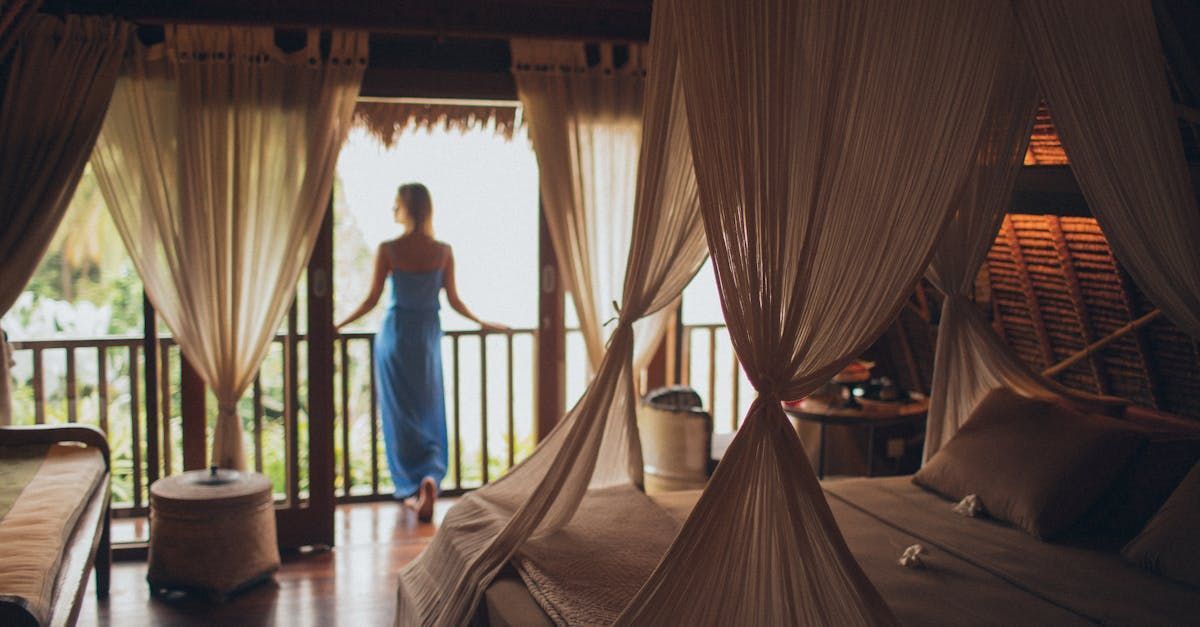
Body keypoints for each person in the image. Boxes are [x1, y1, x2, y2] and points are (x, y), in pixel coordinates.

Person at [336, 183, 507, 522]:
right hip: (427, 338)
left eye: (396, 204)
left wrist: (338, 326)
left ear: (408, 208)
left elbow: (371, 300)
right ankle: (430, 478)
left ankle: (414, 488)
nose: (392, 210)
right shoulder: (442, 251)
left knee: (401, 416)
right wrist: (483, 323)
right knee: (429, 410)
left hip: (396, 337)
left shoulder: (389, 249)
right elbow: (455, 302)